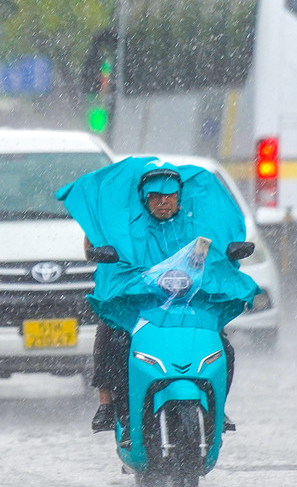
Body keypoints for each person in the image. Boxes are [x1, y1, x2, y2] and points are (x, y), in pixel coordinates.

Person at [85, 167, 241, 435]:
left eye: (169, 196)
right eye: (155, 196)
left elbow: (210, 265)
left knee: (223, 347)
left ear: (180, 198)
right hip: (142, 308)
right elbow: (98, 248)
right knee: (111, 334)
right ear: (145, 199)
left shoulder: (198, 231)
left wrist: (221, 268)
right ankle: (108, 405)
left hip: (189, 306)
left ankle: (216, 405)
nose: (163, 201)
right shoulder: (129, 232)